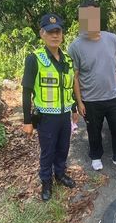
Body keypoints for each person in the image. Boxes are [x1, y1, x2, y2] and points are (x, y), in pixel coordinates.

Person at [68, 1, 116, 171]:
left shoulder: (111, 38)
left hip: (113, 96)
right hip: (90, 99)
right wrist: (79, 102)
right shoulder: (75, 46)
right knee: (94, 131)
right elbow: (74, 77)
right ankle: (96, 156)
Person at [22, 13, 78, 201]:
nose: (55, 35)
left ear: (62, 34)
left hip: (64, 116)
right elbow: (26, 91)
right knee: (48, 151)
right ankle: (46, 181)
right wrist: (27, 121)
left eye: (58, 31)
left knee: (63, 148)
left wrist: (75, 109)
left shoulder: (68, 60)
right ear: (42, 34)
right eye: (50, 32)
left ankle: (60, 174)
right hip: (46, 117)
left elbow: (69, 87)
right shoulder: (35, 59)